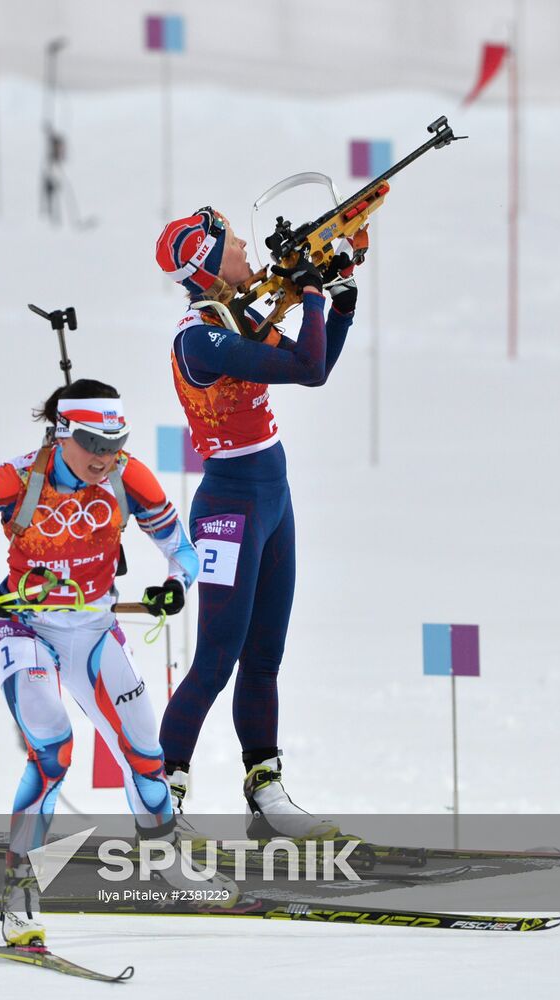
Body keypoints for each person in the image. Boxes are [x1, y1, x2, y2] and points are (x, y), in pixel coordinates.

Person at [0, 378, 235, 946]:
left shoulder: (126, 477)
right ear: (63, 433)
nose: (105, 455)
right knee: (53, 751)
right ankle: (19, 893)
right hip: (25, 626)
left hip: (93, 629)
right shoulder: (17, 479)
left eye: (116, 441)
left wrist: (176, 584)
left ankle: (161, 860)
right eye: (92, 442)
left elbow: (180, 549)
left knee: (145, 752)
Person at [155, 207, 364, 840]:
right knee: (217, 656)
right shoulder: (199, 336)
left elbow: (315, 363)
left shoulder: (236, 317)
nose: (248, 248)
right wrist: (307, 291)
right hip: (230, 505)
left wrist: (340, 291)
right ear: (210, 264)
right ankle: (162, 795)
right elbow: (303, 366)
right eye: (235, 243)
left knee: (266, 656)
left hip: (273, 496)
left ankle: (266, 789)